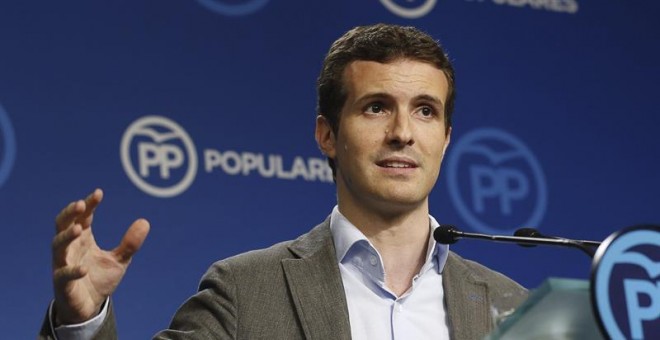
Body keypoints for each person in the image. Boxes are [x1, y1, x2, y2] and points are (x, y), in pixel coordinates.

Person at [40, 23, 527, 339]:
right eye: (376, 107)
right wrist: (82, 323)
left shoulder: (512, 307)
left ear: (444, 139)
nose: (402, 133)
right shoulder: (246, 290)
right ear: (327, 135)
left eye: (424, 111)